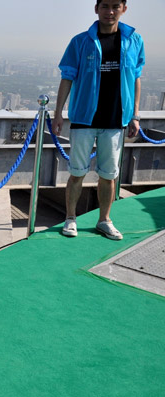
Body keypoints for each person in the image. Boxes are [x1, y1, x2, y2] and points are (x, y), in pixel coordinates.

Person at [53, 0, 145, 240]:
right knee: (77, 173)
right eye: (105, 6)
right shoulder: (80, 42)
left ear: (124, 8)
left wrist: (135, 115)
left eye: (116, 6)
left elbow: (136, 77)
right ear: (96, 9)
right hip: (84, 117)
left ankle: (104, 220)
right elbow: (67, 77)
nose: (110, 11)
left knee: (108, 175)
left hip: (116, 119)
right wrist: (58, 112)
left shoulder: (134, 40)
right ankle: (70, 218)